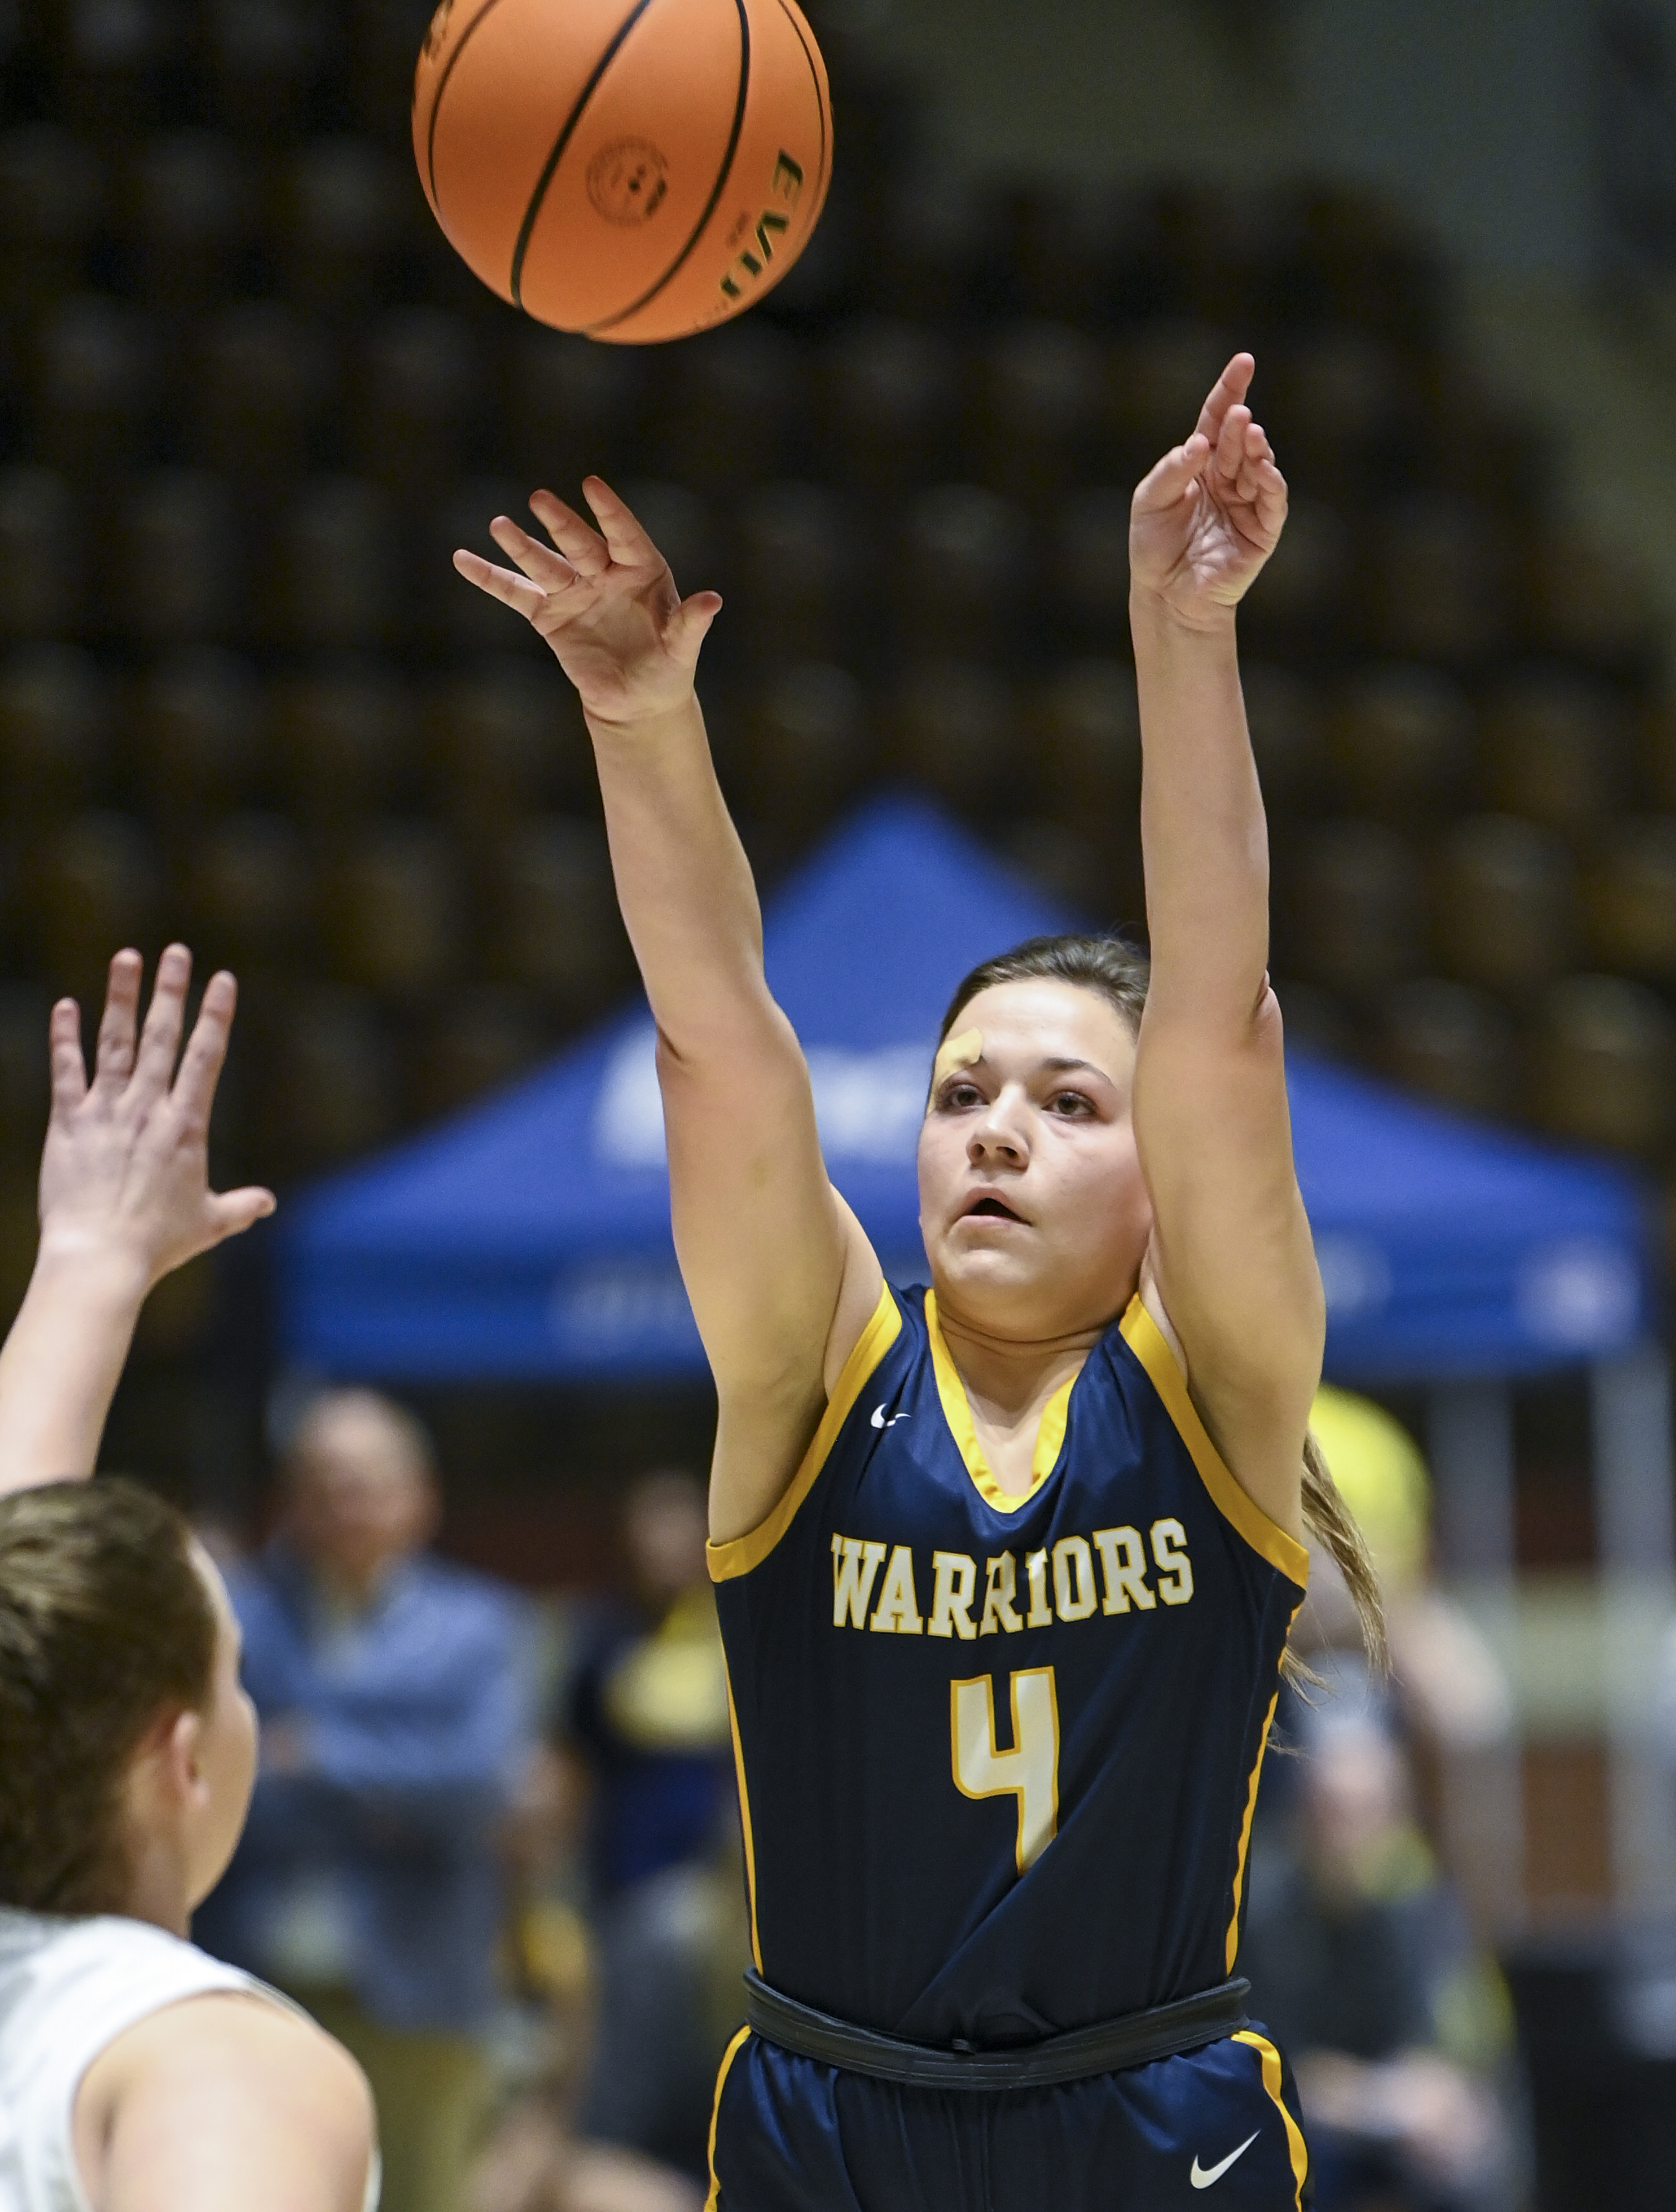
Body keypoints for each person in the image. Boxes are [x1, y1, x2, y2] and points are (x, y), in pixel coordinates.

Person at [454, 350, 1383, 2212]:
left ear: (1156, 1182)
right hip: (831, 2121)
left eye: (1063, 1101)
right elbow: (720, 1045)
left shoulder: (1217, 1398)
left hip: (1144, 2120)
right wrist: (642, 725)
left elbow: (1217, 1019)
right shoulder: (811, 1384)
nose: (994, 1132)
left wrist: (1179, 628)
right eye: (960, 1093)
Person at [0, 945, 378, 2211]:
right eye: (235, 1678)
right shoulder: (204, 2058)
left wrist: (93, 1260)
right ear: (181, 1756)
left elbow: (21, 1604)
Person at [196, 1388, 533, 2212]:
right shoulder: (233, 1615)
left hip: (420, 1987)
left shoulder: (479, 1623)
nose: (347, 1502)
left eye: (369, 1480)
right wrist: (387, 1782)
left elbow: (476, 1785)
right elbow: (210, 1778)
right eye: (325, 1482)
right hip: (256, 1973)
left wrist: (312, 1751)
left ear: (422, 1495)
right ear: (291, 1499)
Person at [1240, 1713, 1515, 2212]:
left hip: (1395, 2124)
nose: (1349, 1837)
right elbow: (1275, 2068)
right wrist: (1381, 2101)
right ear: (1303, 1817)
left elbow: (1449, 2048)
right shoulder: (1262, 1912)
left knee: (1468, 2159)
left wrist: (1436, 2098)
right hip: (1307, 2127)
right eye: (1333, 1813)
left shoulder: (1419, 1904)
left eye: (1369, 1813)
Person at [563, 1469, 745, 2180]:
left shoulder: (748, 1627)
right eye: (650, 1528)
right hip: (626, 1890)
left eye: (680, 1526)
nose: (665, 1545)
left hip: (737, 1904)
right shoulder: (601, 1643)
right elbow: (569, 1772)